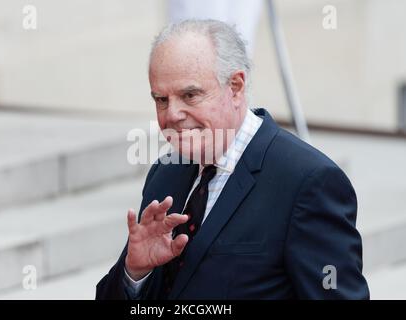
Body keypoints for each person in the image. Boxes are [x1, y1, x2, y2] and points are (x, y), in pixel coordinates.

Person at [96, 19, 370, 300]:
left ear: (236, 87)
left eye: (190, 95)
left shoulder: (307, 181)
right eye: (161, 100)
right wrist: (135, 272)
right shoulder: (166, 173)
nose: (172, 114)